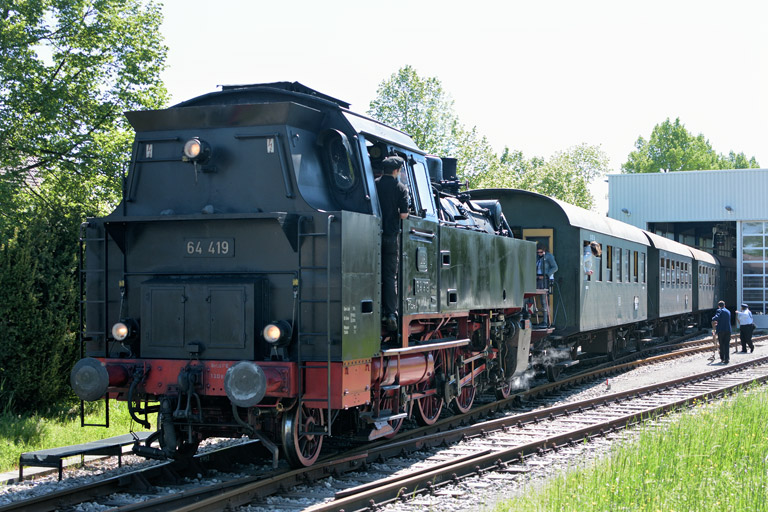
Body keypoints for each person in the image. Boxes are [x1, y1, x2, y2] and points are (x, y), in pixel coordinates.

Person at [375, 156, 410, 332]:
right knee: (389, 275)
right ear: (397, 170)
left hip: (371, 234)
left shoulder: (374, 184)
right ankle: (390, 313)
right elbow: (404, 215)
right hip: (390, 235)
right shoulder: (400, 188)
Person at [535, 244, 558, 326]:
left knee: (544, 300)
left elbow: (555, 267)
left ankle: (545, 320)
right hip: (537, 278)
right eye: (538, 252)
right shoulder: (538, 257)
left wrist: (546, 274)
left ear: (544, 251)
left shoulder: (549, 257)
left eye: (541, 252)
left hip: (545, 279)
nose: (539, 254)